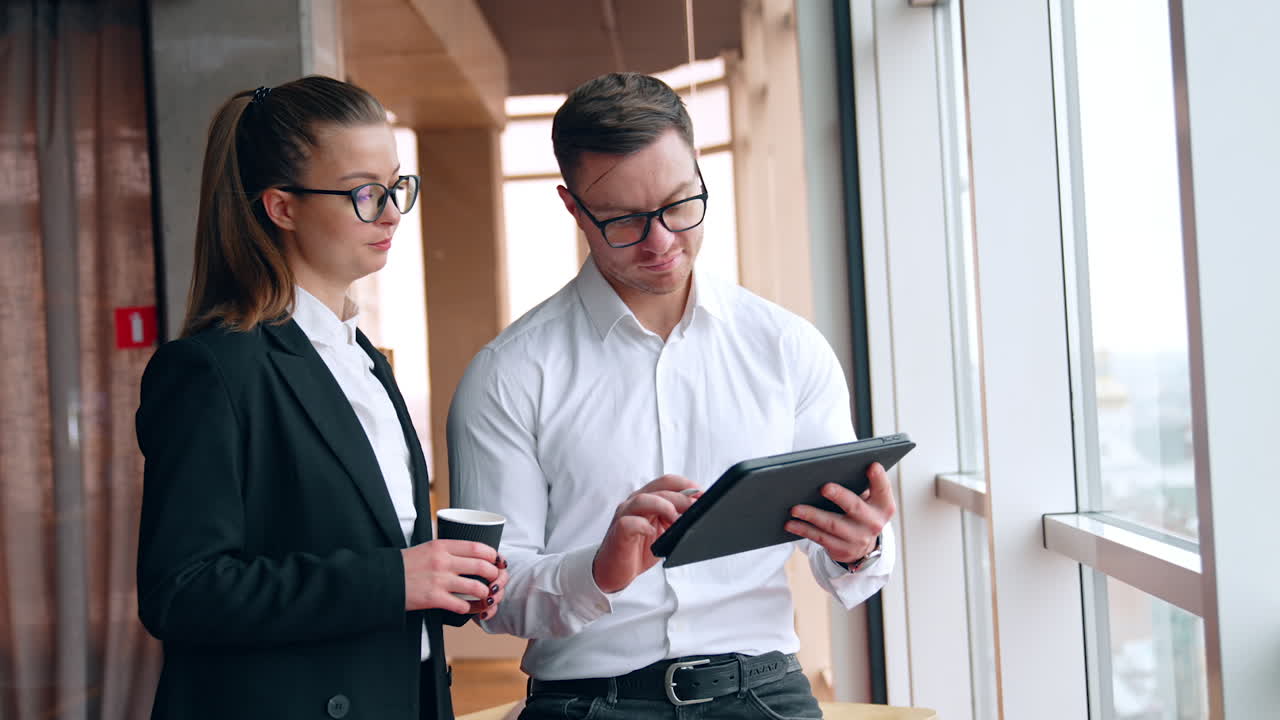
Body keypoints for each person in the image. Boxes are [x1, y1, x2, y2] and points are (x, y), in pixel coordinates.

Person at [447, 72, 897, 720]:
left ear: (698, 171)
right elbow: (494, 595)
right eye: (624, 219)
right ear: (573, 208)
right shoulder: (508, 374)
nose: (660, 241)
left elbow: (843, 563)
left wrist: (859, 547)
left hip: (763, 692)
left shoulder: (786, 347)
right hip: (588, 702)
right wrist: (597, 571)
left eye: (679, 205)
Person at [135, 76, 508, 720]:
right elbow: (181, 592)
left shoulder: (364, 360)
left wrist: (447, 584)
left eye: (395, 186)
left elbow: (376, 548)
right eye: (364, 193)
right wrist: (395, 579)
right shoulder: (212, 369)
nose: (391, 213)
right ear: (282, 208)